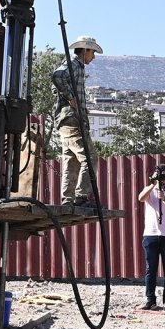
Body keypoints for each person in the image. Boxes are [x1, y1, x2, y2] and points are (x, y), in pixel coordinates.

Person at [51, 35, 102, 206]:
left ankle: (67, 199)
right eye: (92, 52)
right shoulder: (74, 64)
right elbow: (57, 76)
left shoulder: (75, 66)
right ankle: (81, 196)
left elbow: (56, 83)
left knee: (71, 160)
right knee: (90, 157)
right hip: (71, 119)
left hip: (65, 120)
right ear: (85, 50)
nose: (93, 57)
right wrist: (70, 97)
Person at [138, 163, 165, 311]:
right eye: (163, 176)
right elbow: (141, 198)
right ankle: (150, 300)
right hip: (151, 234)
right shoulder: (150, 189)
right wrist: (153, 184)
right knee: (151, 269)